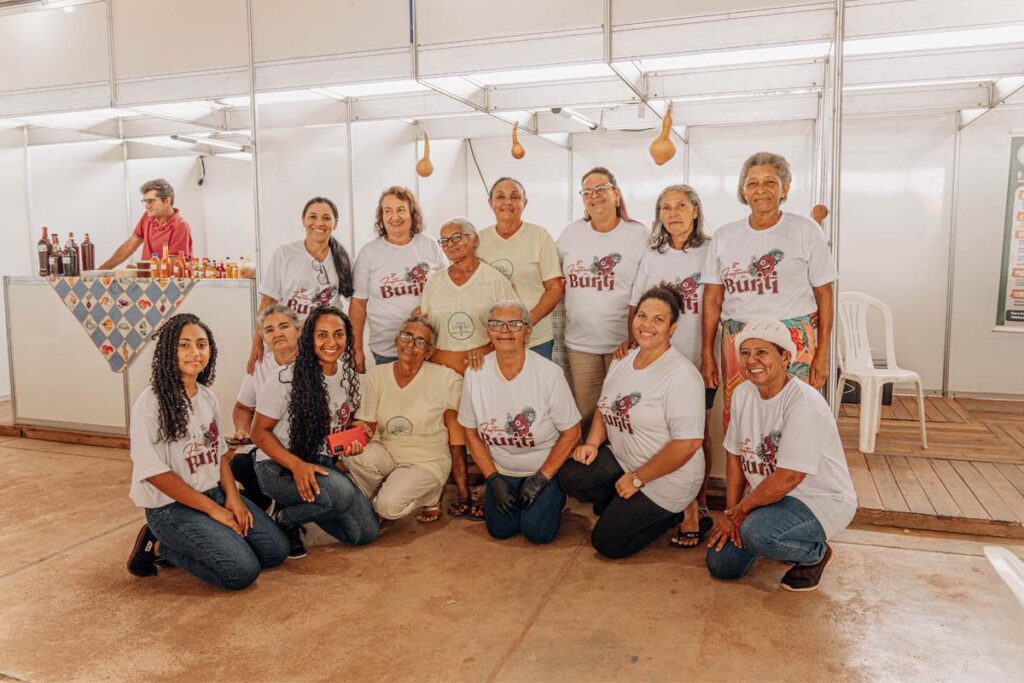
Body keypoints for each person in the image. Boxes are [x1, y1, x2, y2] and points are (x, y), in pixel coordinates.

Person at [125, 313, 289, 590]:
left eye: (201, 345)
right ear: (168, 351)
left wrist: (233, 499)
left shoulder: (207, 396)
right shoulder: (150, 403)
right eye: (184, 345)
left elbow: (218, 454)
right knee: (241, 571)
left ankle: (214, 538)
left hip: (214, 493)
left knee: (275, 551)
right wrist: (214, 511)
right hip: (171, 508)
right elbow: (154, 473)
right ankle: (158, 546)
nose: (195, 352)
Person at [706, 319, 857, 592]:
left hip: (817, 500)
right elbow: (735, 457)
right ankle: (777, 536)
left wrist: (742, 512)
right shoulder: (742, 393)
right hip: (770, 497)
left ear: (785, 357)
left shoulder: (804, 403)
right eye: (745, 352)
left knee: (758, 533)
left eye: (761, 352)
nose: (751, 360)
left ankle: (815, 553)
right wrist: (731, 513)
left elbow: (789, 478)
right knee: (722, 564)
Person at [559, 286, 706, 559]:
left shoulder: (682, 376)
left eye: (658, 319)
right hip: (626, 461)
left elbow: (688, 444)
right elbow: (604, 405)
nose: (647, 325)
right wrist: (592, 443)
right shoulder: (623, 359)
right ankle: (623, 505)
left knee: (606, 543)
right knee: (571, 476)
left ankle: (681, 511)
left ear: (672, 328)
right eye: (642, 316)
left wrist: (638, 479)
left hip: (668, 479)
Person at [701, 152, 837, 429]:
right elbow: (712, 299)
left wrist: (823, 353)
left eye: (770, 182)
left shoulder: (806, 230)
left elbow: (825, 295)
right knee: (743, 417)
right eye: (752, 183)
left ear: (784, 188)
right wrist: (706, 352)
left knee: (797, 418)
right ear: (743, 191)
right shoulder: (724, 236)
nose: (760, 190)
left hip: (794, 339)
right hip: (739, 339)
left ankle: (794, 460)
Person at [625, 184, 716, 548]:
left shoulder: (712, 250)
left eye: (680, 206)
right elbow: (637, 304)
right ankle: (662, 498)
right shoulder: (653, 254)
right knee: (656, 430)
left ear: (695, 210)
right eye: (665, 207)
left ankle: (697, 505)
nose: (673, 213)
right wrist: (633, 346)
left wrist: (708, 356)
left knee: (694, 433)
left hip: (695, 357)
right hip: (655, 360)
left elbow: (716, 304)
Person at [251, 306, 378, 558]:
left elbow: (338, 422)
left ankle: (314, 500)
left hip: (322, 463)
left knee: (365, 533)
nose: (331, 342)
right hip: (279, 466)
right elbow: (259, 433)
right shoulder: (284, 378)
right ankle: (284, 519)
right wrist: (298, 466)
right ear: (309, 337)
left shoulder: (348, 375)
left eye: (339, 334)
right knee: (340, 494)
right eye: (322, 335)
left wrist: (354, 430)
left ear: (347, 337)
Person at [419, 217, 518, 520]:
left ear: (474, 240)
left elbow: (510, 323)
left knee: (487, 429)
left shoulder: (494, 279)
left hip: (483, 369)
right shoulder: (435, 282)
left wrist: (487, 351)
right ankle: (462, 493)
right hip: (444, 372)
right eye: (444, 241)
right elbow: (427, 325)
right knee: (454, 435)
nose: (450, 245)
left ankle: (492, 490)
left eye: (457, 237)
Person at [459, 301, 581, 543]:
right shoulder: (474, 374)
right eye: (497, 324)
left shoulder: (549, 374)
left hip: (543, 468)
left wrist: (541, 478)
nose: (505, 331)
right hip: (503, 469)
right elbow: (470, 433)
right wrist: (493, 479)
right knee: (500, 530)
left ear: (527, 332)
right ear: (488, 331)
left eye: (514, 324)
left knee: (537, 533)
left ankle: (556, 494)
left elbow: (572, 433)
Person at [345, 316, 463, 523]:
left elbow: (475, 407)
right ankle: (381, 498)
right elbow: (368, 424)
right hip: (387, 453)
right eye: (407, 336)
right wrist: (356, 429)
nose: (411, 344)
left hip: (425, 460)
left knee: (388, 507)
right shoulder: (378, 375)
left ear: (429, 352)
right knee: (352, 454)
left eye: (420, 341)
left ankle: (431, 495)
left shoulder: (445, 378)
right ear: (396, 340)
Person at [556, 166, 648, 425]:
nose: (594, 196)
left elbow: (651, 287)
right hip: (580, 344)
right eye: (587, 192)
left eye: (600, 189)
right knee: (586, 415)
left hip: (624, 344)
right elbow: (550, 273)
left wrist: (635, 338)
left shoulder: (639, 235)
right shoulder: (571, 234)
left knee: (623, 415)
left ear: (616, 194)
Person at [248, 196, 355, 373]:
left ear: (335, 223)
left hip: (325, 343)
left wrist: (351, 343)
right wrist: (257, 341)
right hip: (290, 343)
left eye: (326, 218)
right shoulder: (284, 254)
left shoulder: (344, 258)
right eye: (313, 216)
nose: (319, 223)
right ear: (303, 220)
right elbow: (268, 302)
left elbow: (356, 302)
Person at [350, 187, 447, 371]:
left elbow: (447, 289)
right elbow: (358, 305)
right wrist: (356, 349)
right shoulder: (369, 253)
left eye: (401, 210)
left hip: (428, 344)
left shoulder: (429, 245)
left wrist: (428, 308)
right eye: (388, 211)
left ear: (412, 213)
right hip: (386, 350)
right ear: (381, 216)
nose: (394, 217)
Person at [477, 177, 563, 359]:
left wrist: (527, 323)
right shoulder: (478, 240)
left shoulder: (539, 236)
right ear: (490, 203)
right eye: (500, 196)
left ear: (525, 202)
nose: (508, 202)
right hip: (493, 339)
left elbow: (554, 289)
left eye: (515, 197)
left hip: (536, 339)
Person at [230, 304, 301, 512]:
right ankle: (261, 501)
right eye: (269, 330)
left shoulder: (313, 362)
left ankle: (283, 510)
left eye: (284, 326)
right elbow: (243, 407)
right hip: (267, 443)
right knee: (238, 463)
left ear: (298, 330)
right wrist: (242, 429)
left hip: (300, 446)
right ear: (264, 337)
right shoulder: (260, 365)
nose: (277, 334)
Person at [99, 178, 192, 270]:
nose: (147, 206)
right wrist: (100, 271)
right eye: (145, 201)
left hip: (169, 279)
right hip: (149, 277)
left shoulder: (181, 226)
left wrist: (140, 270)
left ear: (166, 201)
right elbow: (128, 247)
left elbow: (174, 265)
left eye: (151, 201)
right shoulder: (147, 217)